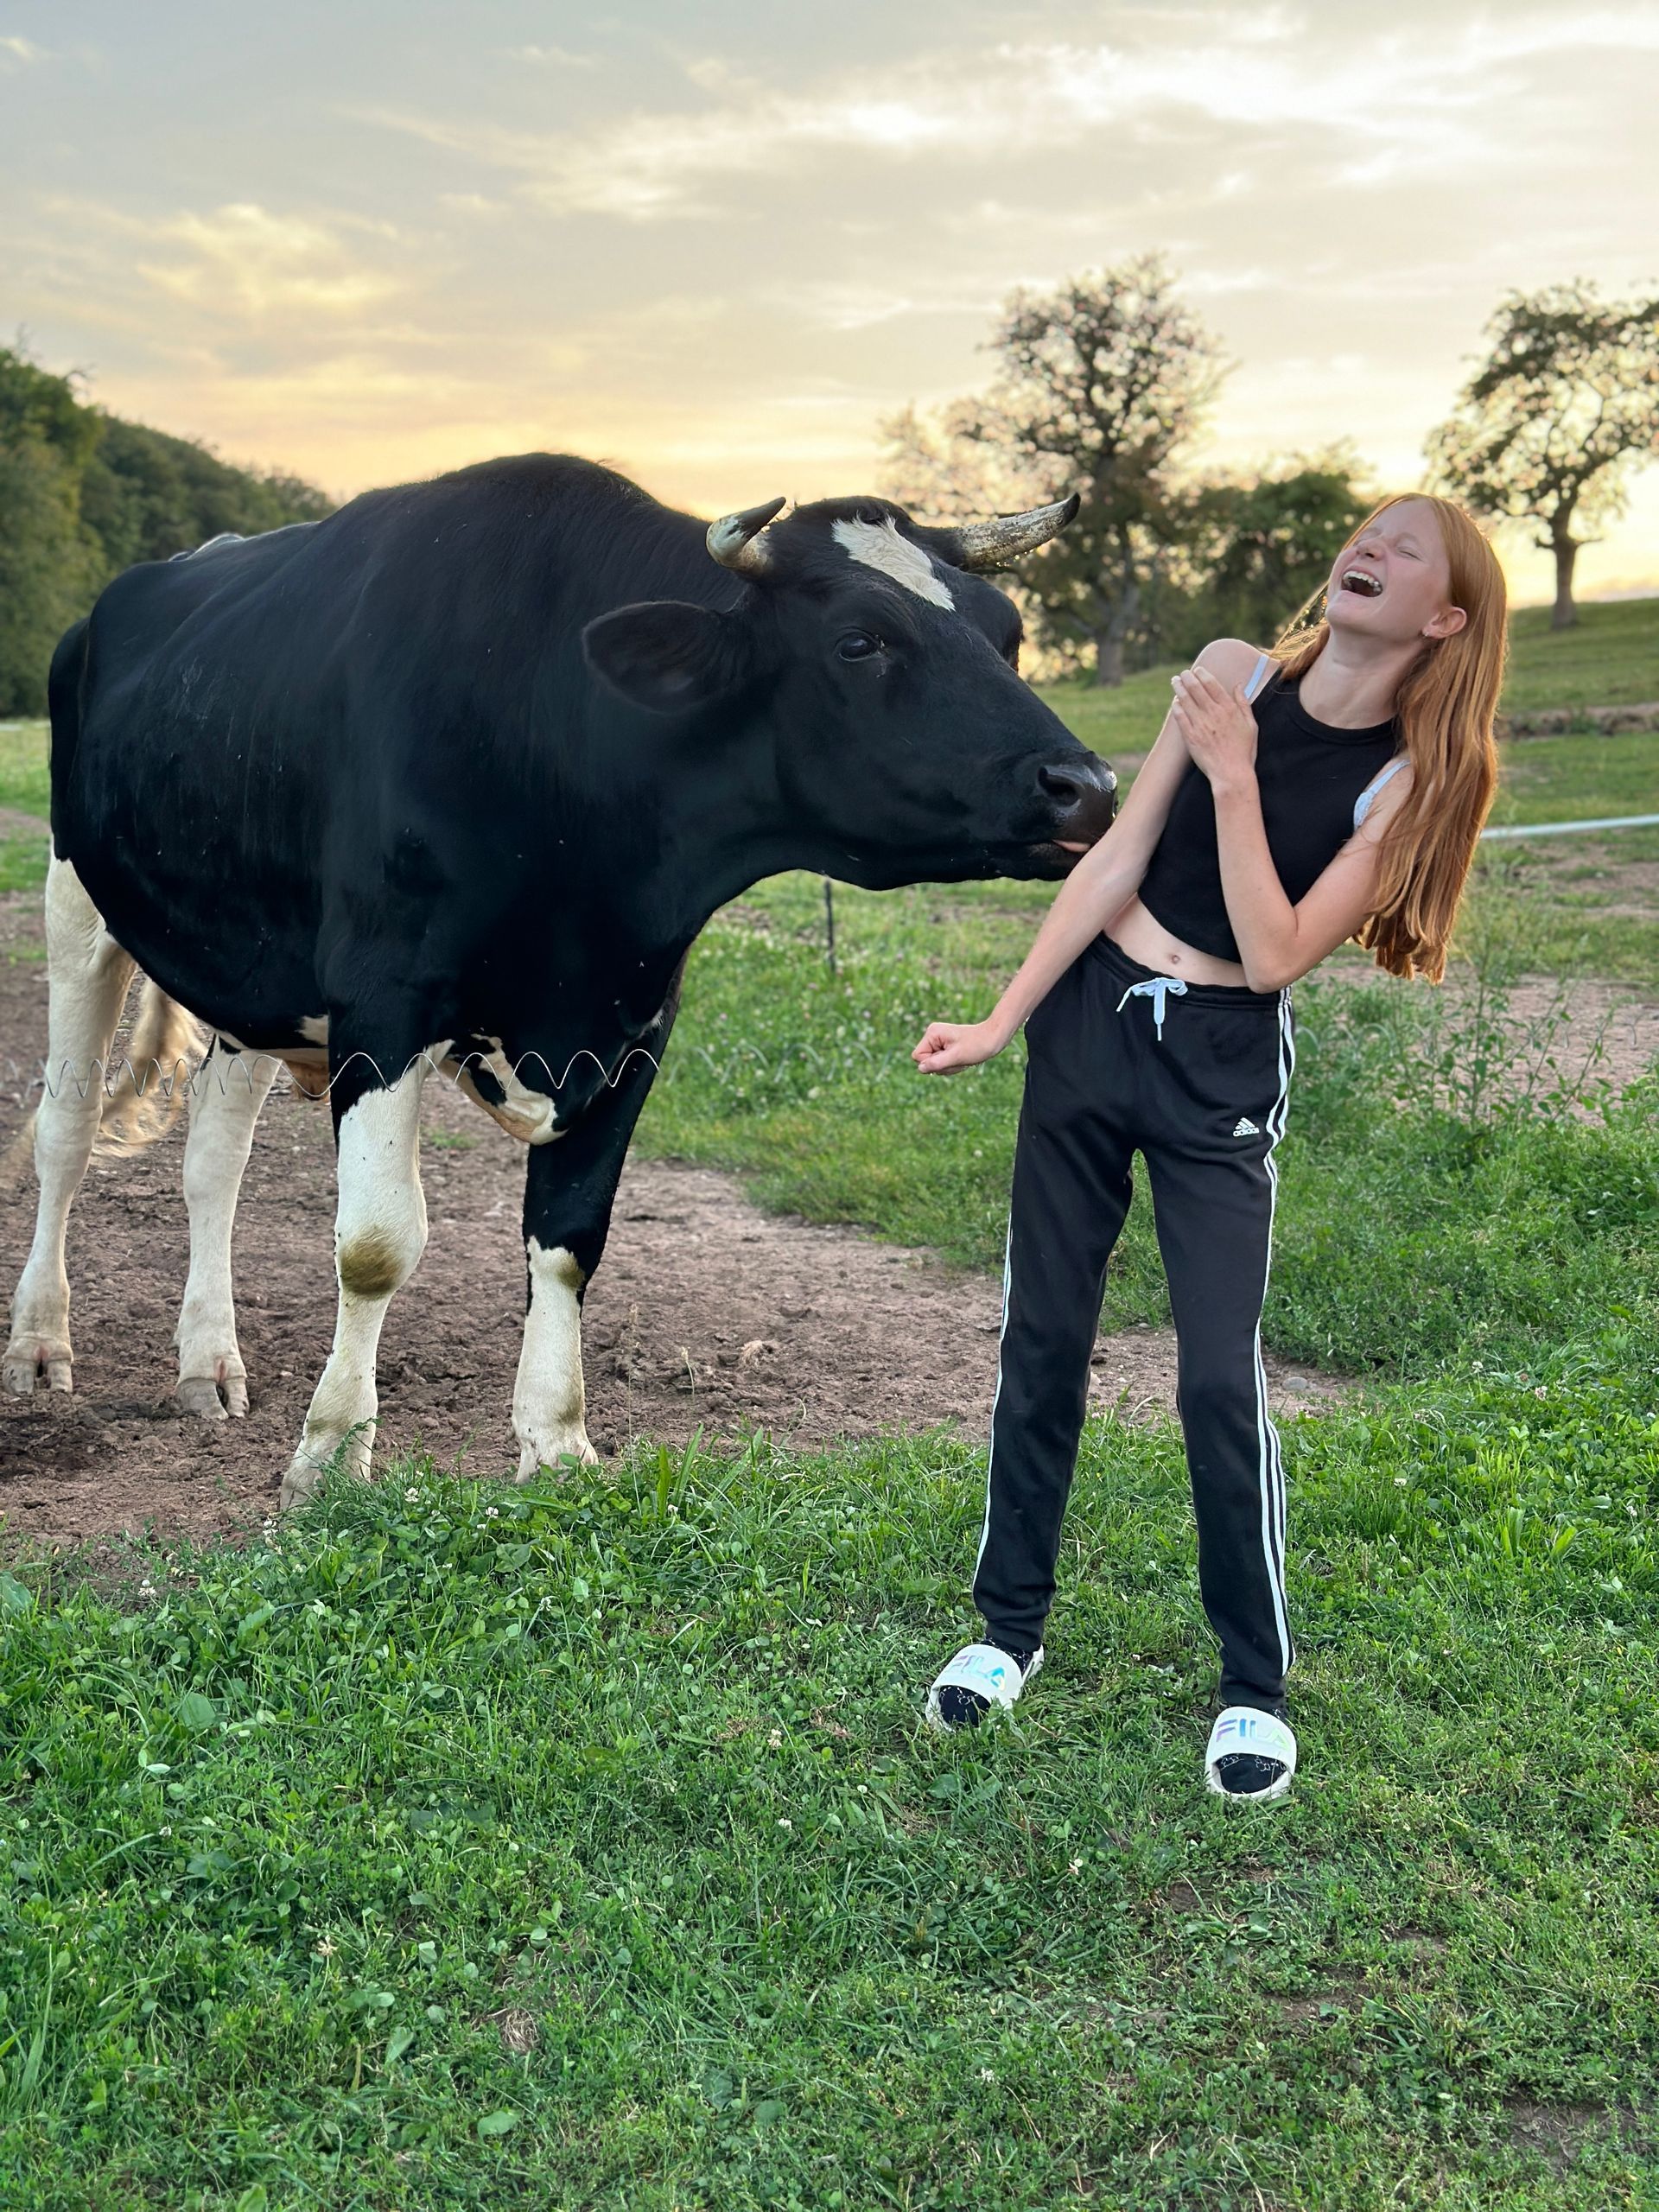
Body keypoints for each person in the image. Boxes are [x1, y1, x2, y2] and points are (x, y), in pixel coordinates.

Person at [911, 493, 1507, 1802]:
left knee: (1218, 1380)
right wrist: (1004, 1018)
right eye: (1371, 530)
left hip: (1221, 1062)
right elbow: (1117, 859)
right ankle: (1007, 1631)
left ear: (1445, 619)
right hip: (1089, 1025)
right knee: (1042, 1339)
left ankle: (1253, 1690)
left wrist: (1238, 776)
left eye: (1407, 548)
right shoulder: (1232, 670)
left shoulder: (1410, 776)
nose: (1371, 547)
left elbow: (1278, 949)